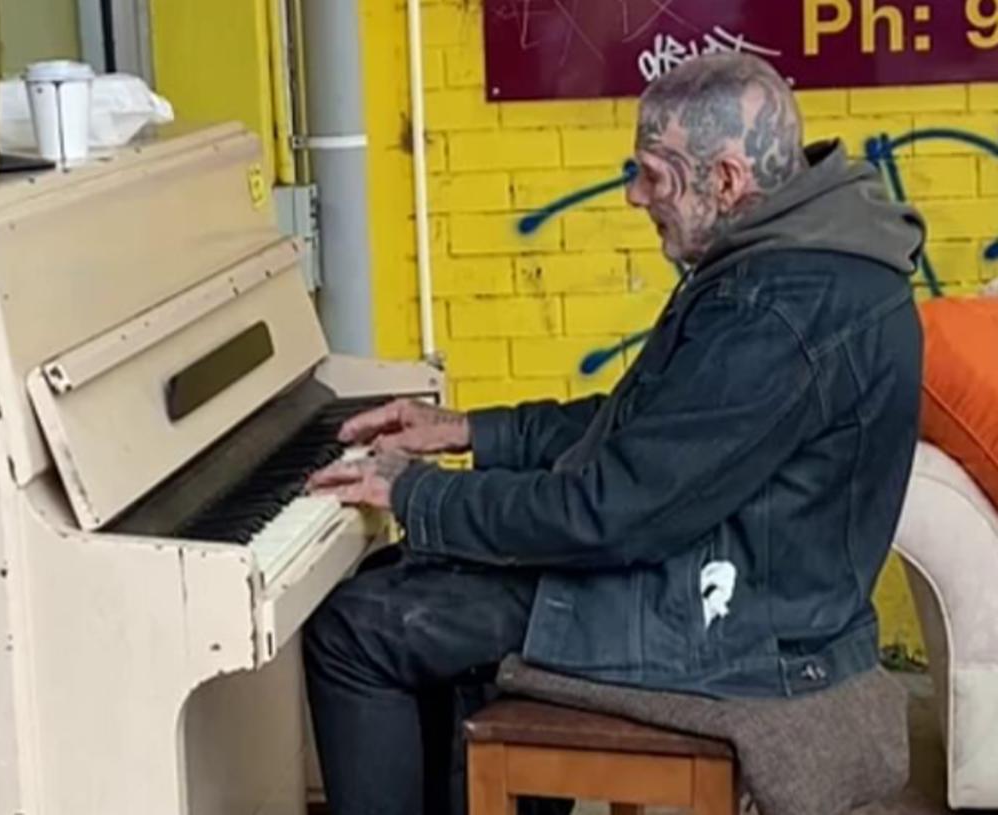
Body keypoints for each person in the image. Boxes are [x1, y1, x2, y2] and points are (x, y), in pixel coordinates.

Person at [302, 52, 925, 815]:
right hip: (737, 583)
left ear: (726, 180)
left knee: (358, 627)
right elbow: (648, 431)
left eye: (653, 175)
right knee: (397, 575)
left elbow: (609, 510)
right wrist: (467, 430)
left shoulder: (780, 308)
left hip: (738, 631)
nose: (634, 195)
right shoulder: (796, 257)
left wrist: (418, 493)